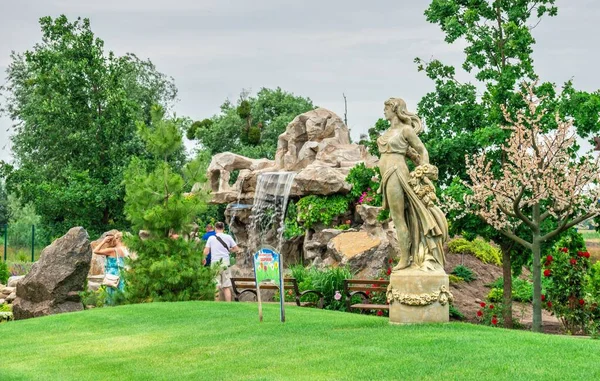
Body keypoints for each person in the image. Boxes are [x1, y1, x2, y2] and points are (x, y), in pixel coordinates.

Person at [377, 98, 448, 272]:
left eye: (386, 108)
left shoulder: (406, 130)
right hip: (386, 175)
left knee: (398, 217)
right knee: (398, 216)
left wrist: (423, 172)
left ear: (395, 109)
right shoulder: (387, 132)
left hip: (396, 173)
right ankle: (408, 256)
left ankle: (405, 259)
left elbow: (422, 150)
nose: (384, 111)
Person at [203, 222, 241, 301]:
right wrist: (229, 250)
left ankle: (216, 304)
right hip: (225, 263)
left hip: (215, 263)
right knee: (226, 286)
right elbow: (237, 249)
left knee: (216, 285)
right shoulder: (228, 237)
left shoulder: (211, 238)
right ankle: (228, 304)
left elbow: (206, 251)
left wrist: (203, 259)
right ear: (223, 228)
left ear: (215, 228)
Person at [93, 232, 130, 304]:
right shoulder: (125, 250)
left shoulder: (112, 250)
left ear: (118, 239)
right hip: (122, 274)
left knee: (111, 295)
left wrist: (104, 241)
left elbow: (96, 251)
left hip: (112, 275)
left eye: (115, 238)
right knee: (122, 293)